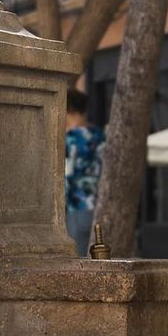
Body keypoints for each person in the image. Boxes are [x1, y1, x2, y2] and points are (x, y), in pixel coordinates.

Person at [64, 88, 105, 257]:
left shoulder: (70, 138)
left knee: (78, 261)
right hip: (99, 207)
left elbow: (66, 174)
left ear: (67, 110)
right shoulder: (99, 135)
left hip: (77, 206)